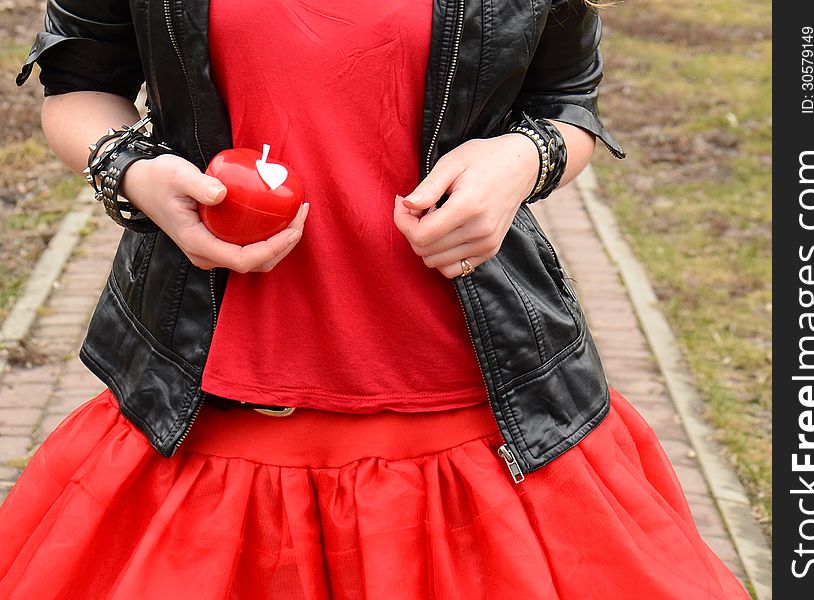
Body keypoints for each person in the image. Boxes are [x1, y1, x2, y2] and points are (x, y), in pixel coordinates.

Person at [0, 0, 749, 598]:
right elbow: (79, 86)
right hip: (205, 409)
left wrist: (523, 158)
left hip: (487, 424)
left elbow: (566, 101)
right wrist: (131, 170)